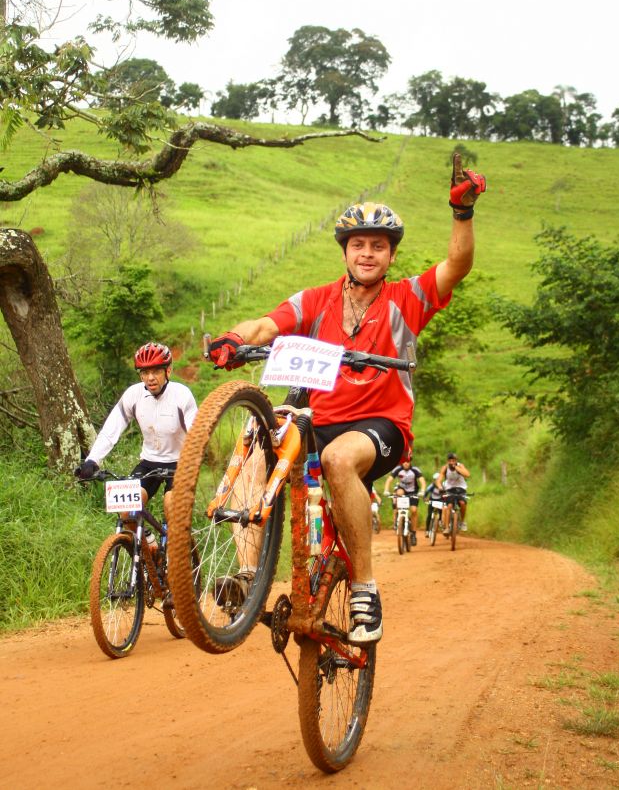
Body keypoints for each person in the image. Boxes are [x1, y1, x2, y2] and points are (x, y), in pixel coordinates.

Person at [205, 154, 485, 644]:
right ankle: (250, 576)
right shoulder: (316, 301)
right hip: (318, 421)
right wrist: (232, 337)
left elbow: (456, 266)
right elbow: (267, 326)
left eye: (379, 246)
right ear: (345, 252)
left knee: (338, 459)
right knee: (253, 445)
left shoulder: (407, 299)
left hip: (381, 428)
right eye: (359, 245)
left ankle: (365, 589)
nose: (368, 253)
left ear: (391, 255)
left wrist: (462, 213)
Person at [75, 343, 198, 528]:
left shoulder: (182, 395)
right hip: (149, 462)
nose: (150, 378)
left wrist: (192, 462)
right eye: (144, 372)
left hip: (180, 463)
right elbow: (111, 430)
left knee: (171, 505)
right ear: (140, 375)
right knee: (126, 510)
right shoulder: (133, 395)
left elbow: (196, 435)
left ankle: (176, 551)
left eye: (156, 371)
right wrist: (93, 461)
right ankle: (148, 548)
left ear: (168, 371)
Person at [383, 458, 426, 545]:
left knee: (414, 510)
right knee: (398, 493)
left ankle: (413, 534)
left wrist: (422, 490)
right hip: (402, 490)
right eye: (404, 462)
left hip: (413, 492)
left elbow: (422, 481)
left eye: (408, 462)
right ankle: (399, 520)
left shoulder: (415, 470)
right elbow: (389, 479)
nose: (406, 464)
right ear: (402, 463)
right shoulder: (398, 469)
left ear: (410, 462)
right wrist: (386, 490)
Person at [437, 452, 471, 533]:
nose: (452, 462)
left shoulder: (460, 466)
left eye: (454, 460)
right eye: (450, 461)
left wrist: (457, 468)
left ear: (456, 461)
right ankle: (447, 527)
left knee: (462, 503)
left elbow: (467, 474)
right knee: (449, 505)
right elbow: (439, 480)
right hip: (450, 489)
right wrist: (440, 487)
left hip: (461, 488)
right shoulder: (445, 468)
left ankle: (462, 522)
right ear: (448, 461)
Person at [424, 471, 444, 537]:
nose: (436, 481)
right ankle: (427, 530)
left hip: (440, 500)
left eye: (438, 479)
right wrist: (425, 498)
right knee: (429, 515)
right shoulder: (431, 486)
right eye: (435, 480)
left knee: (441, 511)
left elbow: (446, 493)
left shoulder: (443, 486)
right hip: (432, 500)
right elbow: (426, 492)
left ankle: (440, 521)